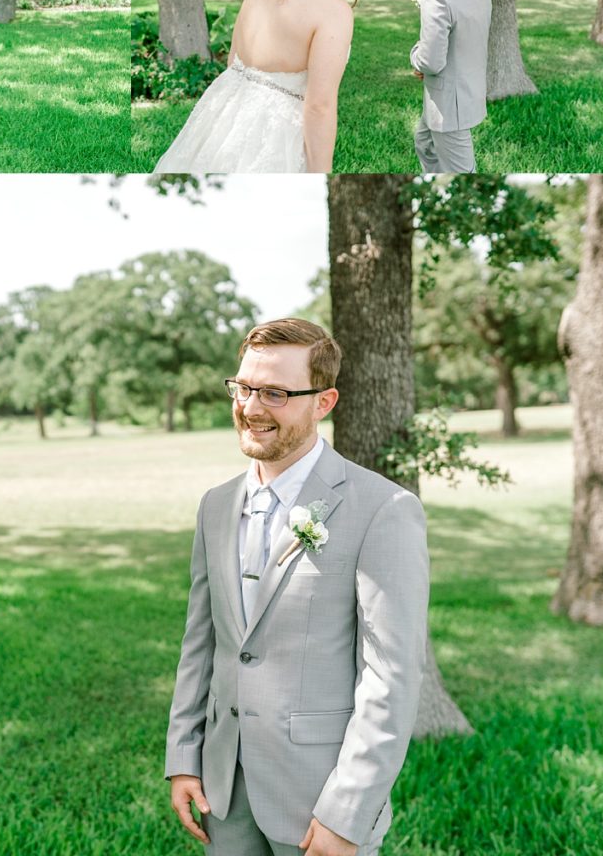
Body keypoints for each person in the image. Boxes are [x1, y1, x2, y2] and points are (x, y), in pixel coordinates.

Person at [165, 318, 429, 856]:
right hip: (225, 793)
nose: (251, 407)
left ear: (323, 402)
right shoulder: (216, 505)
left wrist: (347, 814)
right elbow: (202, 644)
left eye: (275, 393)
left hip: (320, 799)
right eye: (243, 388)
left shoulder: (383, 509)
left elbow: (390, 679)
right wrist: (184, 757)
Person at [152, 0, 358, 174]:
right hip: (275, 131)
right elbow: (319, 106)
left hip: (224, 113)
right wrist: (321, 172)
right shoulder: (334, 11)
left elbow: (234, 61)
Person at [403, 0, 492, 174]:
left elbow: (430, 61)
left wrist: (416, 56)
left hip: (449, 103)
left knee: (461, 174)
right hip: (468, 88)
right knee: (425, 143)